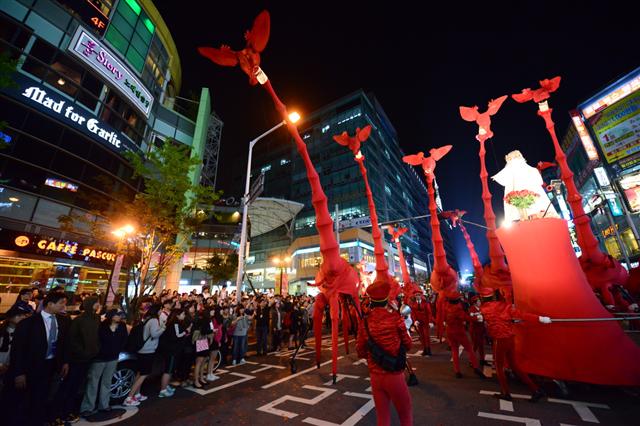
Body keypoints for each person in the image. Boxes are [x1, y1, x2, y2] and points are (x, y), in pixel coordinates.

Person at [356, 278, 413, 426]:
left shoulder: (365, 322)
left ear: (371, 300)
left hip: (375, 376)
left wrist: (373, 356)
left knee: (382, 417)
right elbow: (408, 344)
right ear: (387, 299)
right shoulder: (395, 318)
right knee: (405, 415)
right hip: (394, 375)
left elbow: (360, 350)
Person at [8, 291, 69, 426]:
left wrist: (64, 361)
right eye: (61, 303)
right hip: (32, 366)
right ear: (50, 304)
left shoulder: (63, 321)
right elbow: (18, 350)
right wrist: (19, 372)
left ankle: (40, 418)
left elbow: (63, 343)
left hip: (52, 364)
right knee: (26, 398)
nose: (64, 306)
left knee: (45, 396)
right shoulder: (29, 323)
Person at [480, 288, 550, 401]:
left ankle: (505, 392)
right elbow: (521, 315)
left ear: (482, 297)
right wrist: (540, 318)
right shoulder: (505, 306)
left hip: (500, 339)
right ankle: (536, 390)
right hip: (510, 338)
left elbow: (486, 320)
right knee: (515, 366)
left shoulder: (484, 309)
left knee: (498, 367)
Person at [80, 309, 128, 416]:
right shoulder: (102, 326)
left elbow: (124, 339)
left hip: (113, 357)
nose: (119, 317)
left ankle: (104, 405)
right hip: (99, 358)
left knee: (107, 381)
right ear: (111, 316)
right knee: (93, 382)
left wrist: (118, 350)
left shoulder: (122, 326)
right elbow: (97, 340)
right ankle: (87, 407)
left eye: (120, 315)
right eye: (117, 315)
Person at [124, 304, 165, 406]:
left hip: (143, 349)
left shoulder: (148, 319)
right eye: (161, 309)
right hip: (148, 350)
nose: (162, 311)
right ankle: (129, 397)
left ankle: (137, 394)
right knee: (144, 374)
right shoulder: (154, 320)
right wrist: (163, 328)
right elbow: (155, 334)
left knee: (140, 373)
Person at [443, 290, 485, 379]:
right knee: (469, 349)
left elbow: (443, 318)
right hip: (458, 331)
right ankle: (475, 367)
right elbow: (465, 317)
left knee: (455, 350)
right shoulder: (457, 308)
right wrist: (477, 318)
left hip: (449, 330)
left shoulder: (446, 306)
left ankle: (457, 371)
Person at [158, 308, 190, 397]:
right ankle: (163, 390)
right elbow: (177, 335)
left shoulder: (176, 323)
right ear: (177, 315)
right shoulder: (175, 323)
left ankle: (166, 386)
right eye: (183, 314)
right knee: (168, 370)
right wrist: (187, 331)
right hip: (171, 351)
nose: (184, 315)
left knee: (170, 370)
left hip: (174, 350)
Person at [0, 307, 29, 393]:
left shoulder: (25, 334)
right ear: (10, 317)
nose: (23, 317)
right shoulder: (2, 331)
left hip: (12, 370)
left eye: (24, 315)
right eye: (19, 315)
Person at [468, 296, 487, 365]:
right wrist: (482, 319)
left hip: (481, 329)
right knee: (475, 346)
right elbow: (472, 318)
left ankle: (482, 359)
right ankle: (471, 360)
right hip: (474, 330)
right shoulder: (471, 309)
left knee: (481, 345)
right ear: (474, 303)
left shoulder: (481, 308)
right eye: (478, 301)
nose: (480, 302)